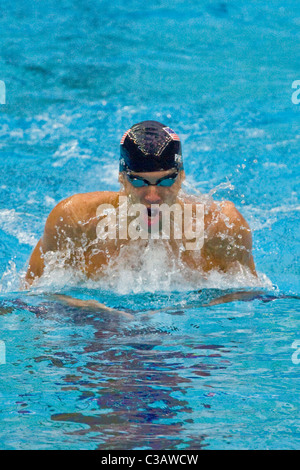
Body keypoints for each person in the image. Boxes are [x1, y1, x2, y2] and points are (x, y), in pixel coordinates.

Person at [24, 120, 257, 287]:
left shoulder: (221, 228)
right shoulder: (74, 220)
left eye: (166, 180)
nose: (153, 196)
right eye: (139, 181)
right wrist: (87, 309)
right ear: (121, 177)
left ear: (182, 176)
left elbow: (247, 304)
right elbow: (30, 298)